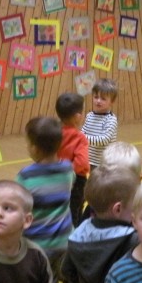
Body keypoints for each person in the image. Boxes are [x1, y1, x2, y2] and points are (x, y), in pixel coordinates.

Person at [16, 116, 84, 283]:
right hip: (66, 242)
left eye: (28, 143)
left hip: (41, 247)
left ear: (35, 149)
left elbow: (19, 205)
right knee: (73, 281)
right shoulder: (67, 169)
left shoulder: (26, 176)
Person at [62, 165, 140, 283]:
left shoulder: (78, 234)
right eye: (136, 204)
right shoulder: (132, 239)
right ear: (118, 209)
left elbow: (67, 271)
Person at [55, 92, 89, 225]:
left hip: (55, 177)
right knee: (74, 213)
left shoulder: (53, 132)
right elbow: (82, 163)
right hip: (75, 182)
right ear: (77, 117)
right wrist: (69, 173)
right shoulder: (79, 138)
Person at [83, 78, 119, 170]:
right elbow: (83, 132)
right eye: (96, 97)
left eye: (103, 99)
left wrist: (81, 137)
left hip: (105, 162)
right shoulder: (89, 116)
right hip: (89, 160)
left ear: (112, 101)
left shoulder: (111, 119)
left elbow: (103, 140)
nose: (98, 101)